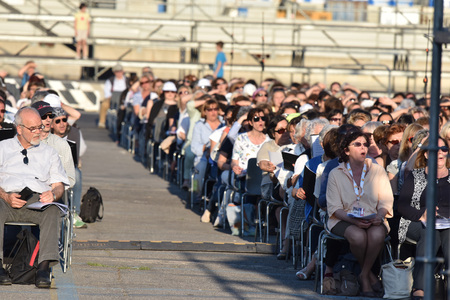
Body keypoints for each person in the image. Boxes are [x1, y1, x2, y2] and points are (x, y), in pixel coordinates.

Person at [0, 107, 69, 288]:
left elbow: (59, 184)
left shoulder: (49, 153)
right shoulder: (3, 148)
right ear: (19, 128)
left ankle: (43, 267)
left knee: (53, 208)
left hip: (36, 201)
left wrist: (53, 193)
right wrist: (5, 196)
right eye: (33, 128)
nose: (39, 132)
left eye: (40, 127)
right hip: (5, 198)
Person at [326, 130, 394, 297]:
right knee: (358, 237)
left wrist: (379, 216)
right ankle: (368, 276)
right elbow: (334, 208)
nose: (363, 148)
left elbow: (386, 200)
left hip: (373, 217)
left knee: (377, 236)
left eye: (365, 144)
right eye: (357, 144)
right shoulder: (336, 173)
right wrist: (353, 220)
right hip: (344, 219)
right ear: (346, 150)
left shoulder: (377, 170)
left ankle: (364, 273)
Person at [398, 137, 450, 300]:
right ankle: (419, 289)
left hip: (447, 225)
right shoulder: (416, 175)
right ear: (427, 154)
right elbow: (402, 206)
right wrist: (422, 214)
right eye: (436, 149)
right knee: (430, 234)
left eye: (444, 149)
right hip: (416, 222)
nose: (440, 152)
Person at [51, 107, 87, 229]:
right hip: (50, 168)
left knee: (76, 173)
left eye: (64, 120)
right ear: (51, 124)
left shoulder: (74, 132)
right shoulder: (47, 136)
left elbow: (75, 158)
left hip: (67, 166)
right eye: (57, 121)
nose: (62, 124)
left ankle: (74, 212)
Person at [31, 101, 76, 189]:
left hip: (54, 194)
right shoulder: (25, 142)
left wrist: (54, 188)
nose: (48, 119)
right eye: (44, 116)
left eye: (51, 116)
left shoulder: (62, 144)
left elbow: (71, 178)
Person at [99, 63, 128, 128]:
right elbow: (107, 92)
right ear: (114, 72)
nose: (119, 73)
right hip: (112, 98)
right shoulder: (110, 80)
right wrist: (111, 98)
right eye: (117, 72)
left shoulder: (127, 80)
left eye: (120, 71)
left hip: (124, 99)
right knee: (104, 104)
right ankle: (102, 122)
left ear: (122, 71)